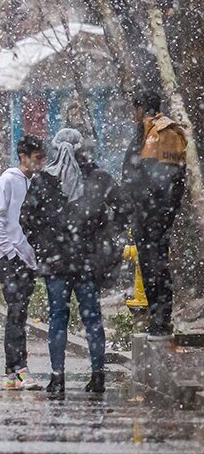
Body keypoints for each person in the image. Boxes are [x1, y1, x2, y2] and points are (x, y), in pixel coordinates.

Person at [23, 128, 118, 395]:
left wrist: (45, 245)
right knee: (93, 319)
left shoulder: (44, 180)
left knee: (57, 318)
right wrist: (103, 236)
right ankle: (98, 375)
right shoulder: (98, 178)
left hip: (56, 264)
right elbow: (124, 208)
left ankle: (58, 377)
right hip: (86, 262)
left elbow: (27, 218)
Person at [122, 88, 188, 340]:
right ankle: (156, 317)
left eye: (134, 109)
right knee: (148, 265)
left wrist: (160, 215)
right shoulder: (144, 132)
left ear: (141, 109)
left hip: (155, 215)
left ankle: (162, 319)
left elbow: (171, 180)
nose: (133, 115)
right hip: (142, 214)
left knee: (157, 265)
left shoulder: (164, 132)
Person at [0, 134, 48, 389]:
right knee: (16, 311)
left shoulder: (36, 183)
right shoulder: (8, 181)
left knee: (18, 313)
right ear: (23, 157)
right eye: (37, 158)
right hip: (9, 258)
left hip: (26, 259)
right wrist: (9, 254)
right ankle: (19, 368)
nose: (41, 163)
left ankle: (11, 371)